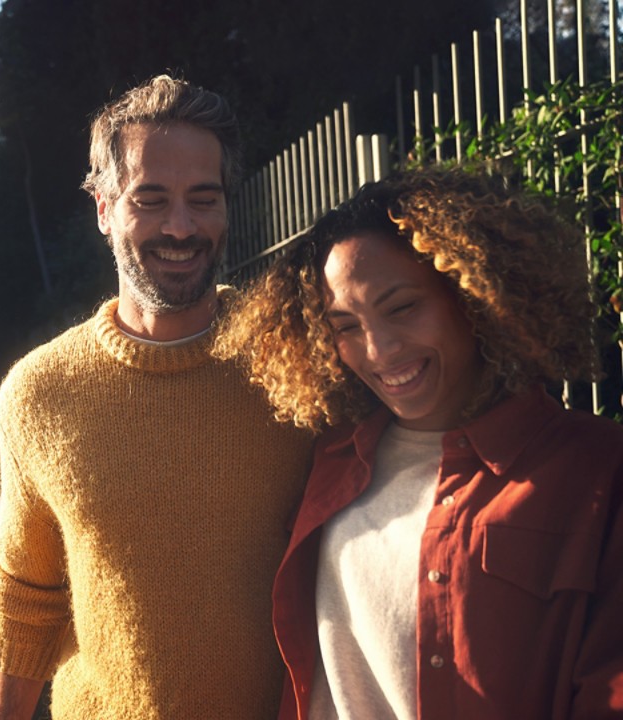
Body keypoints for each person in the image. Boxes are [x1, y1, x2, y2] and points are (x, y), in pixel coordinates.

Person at [216, 167, 623, 718]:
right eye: (345, 326)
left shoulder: (595, 468)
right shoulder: (331, 459)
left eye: (402, 307)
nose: (378, 350)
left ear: (473, 292)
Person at [0, 74, 314, 720]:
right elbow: (27, 594)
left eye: (203, 198)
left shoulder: (294, 362)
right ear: (104, 209)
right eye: (152, 199)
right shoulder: (38, 393)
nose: (182, 226)